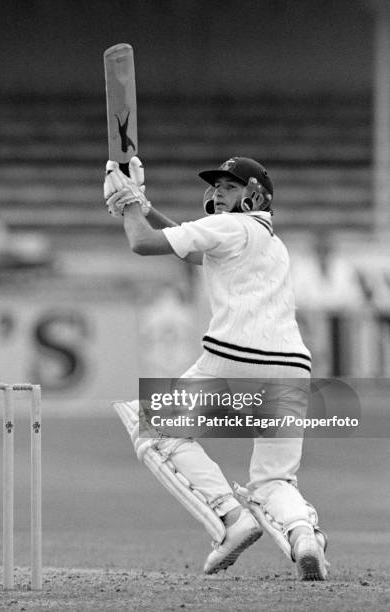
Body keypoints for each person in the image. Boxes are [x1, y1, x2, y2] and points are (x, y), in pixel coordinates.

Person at [104, 156, 328, 580]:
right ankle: (304, 537)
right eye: (216, 187)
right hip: (291, 368)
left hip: (236, 356)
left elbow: (143, 244)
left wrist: (129, 207)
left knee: (151, 426)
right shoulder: (267, 241)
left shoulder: (231, 228)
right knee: (274, 480)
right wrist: (142, 205)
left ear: (255, 195)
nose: (217, 193)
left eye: (229, 186)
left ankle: (230, 519)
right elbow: (191, 249)